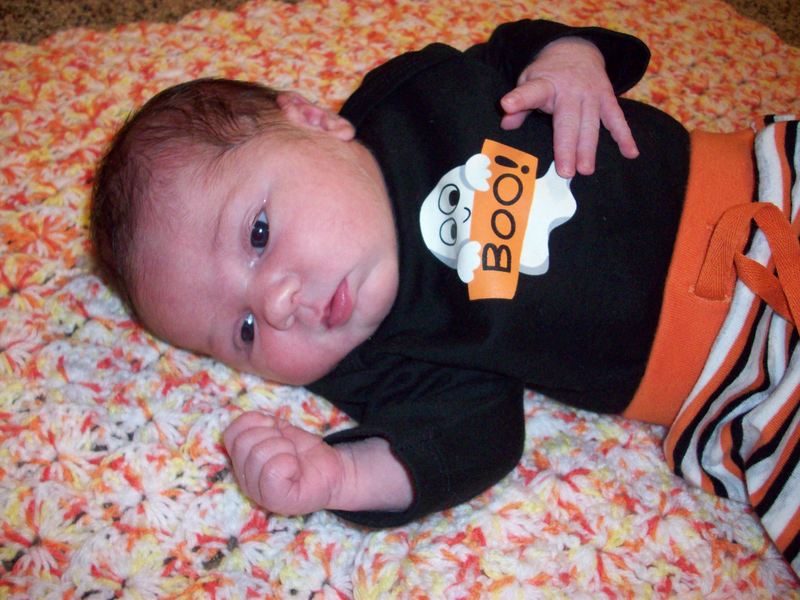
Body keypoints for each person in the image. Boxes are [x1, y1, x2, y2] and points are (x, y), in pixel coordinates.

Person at [90, 19, 799, 572]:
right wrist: (340, 473)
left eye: (259, 233)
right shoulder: (373, 359)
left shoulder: (414, 96)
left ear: (313, 120)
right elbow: (471, 437)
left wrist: (569, 59)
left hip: (764, 187)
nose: (276, 305)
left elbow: (516, 51)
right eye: (244, 331)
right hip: (746, 383)